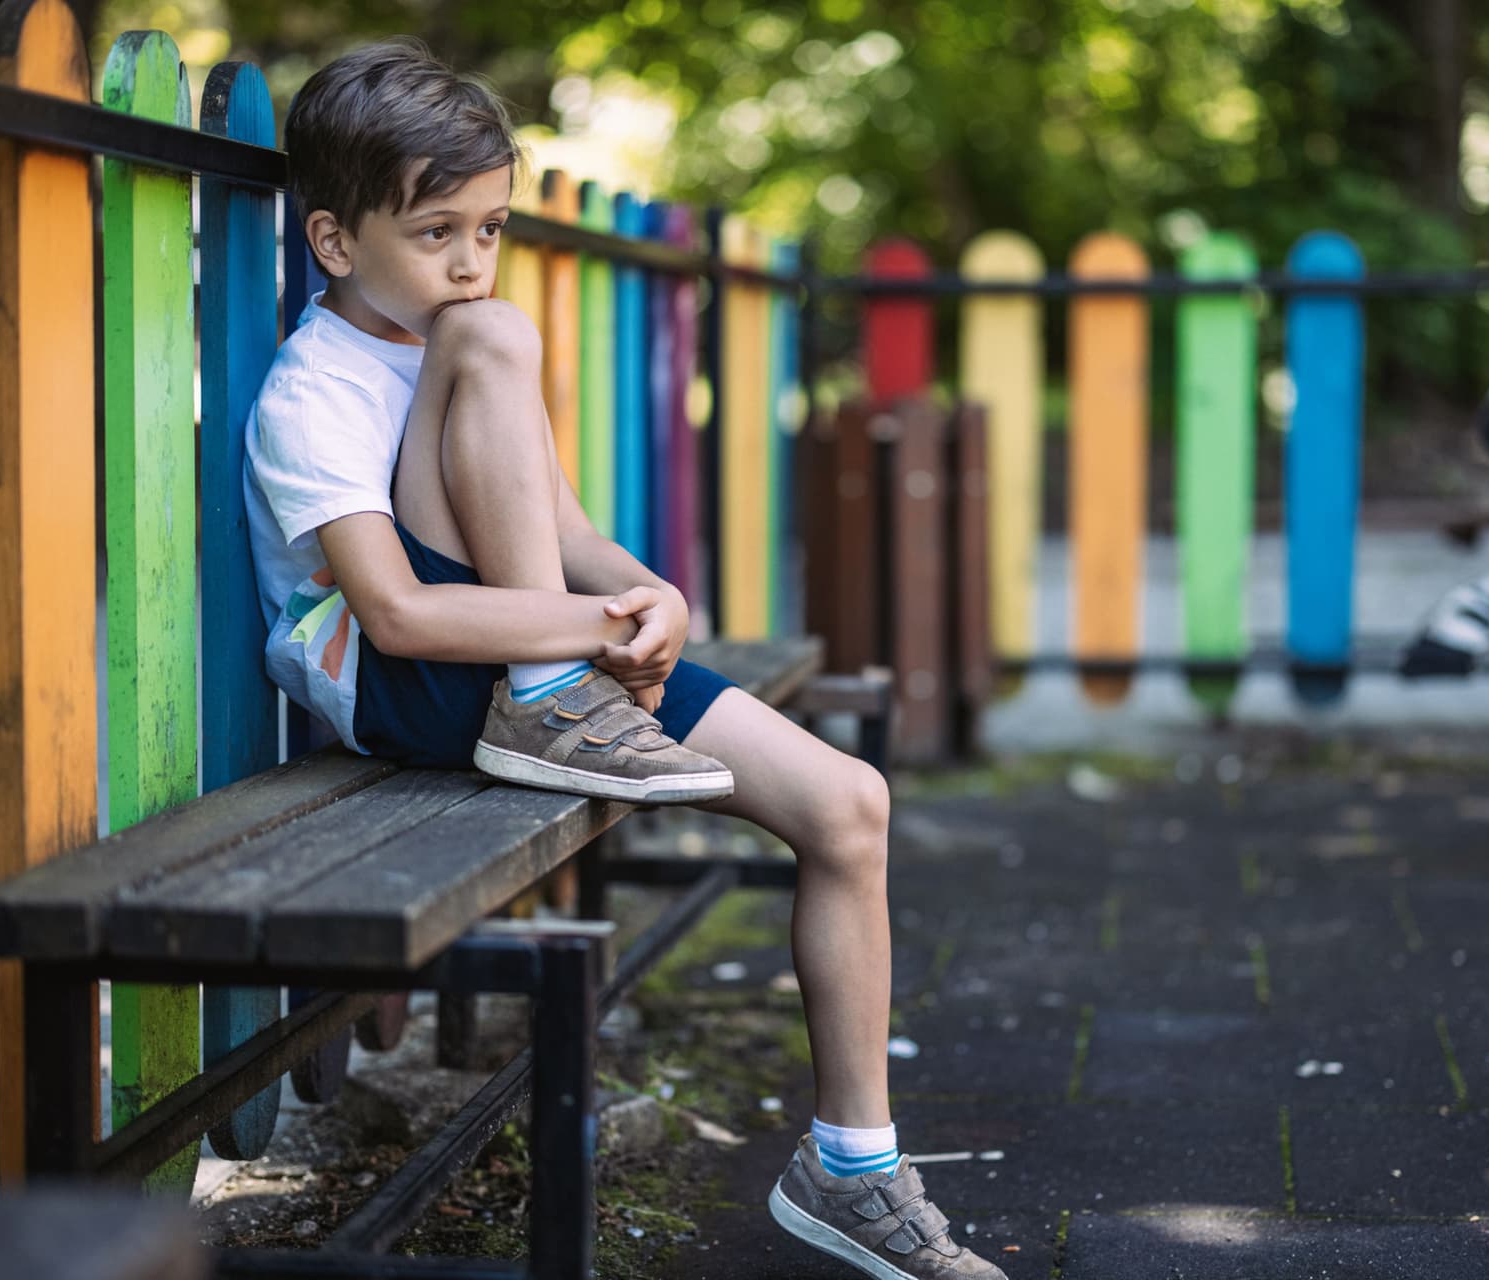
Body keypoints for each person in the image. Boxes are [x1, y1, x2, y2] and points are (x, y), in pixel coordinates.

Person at [245, 38, 1005, 1280]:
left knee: (848, 805)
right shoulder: (316, 388)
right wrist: (579, 641)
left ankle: (850, 1167)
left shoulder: (458, 340)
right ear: (334, 241)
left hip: (532, 653)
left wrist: (644, 594)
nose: (470, 261)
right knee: (493, 341)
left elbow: (566, 535)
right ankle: (548, 704)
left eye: (489, 228)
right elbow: (396, 617)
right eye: (437, 231)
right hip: (425, 681)